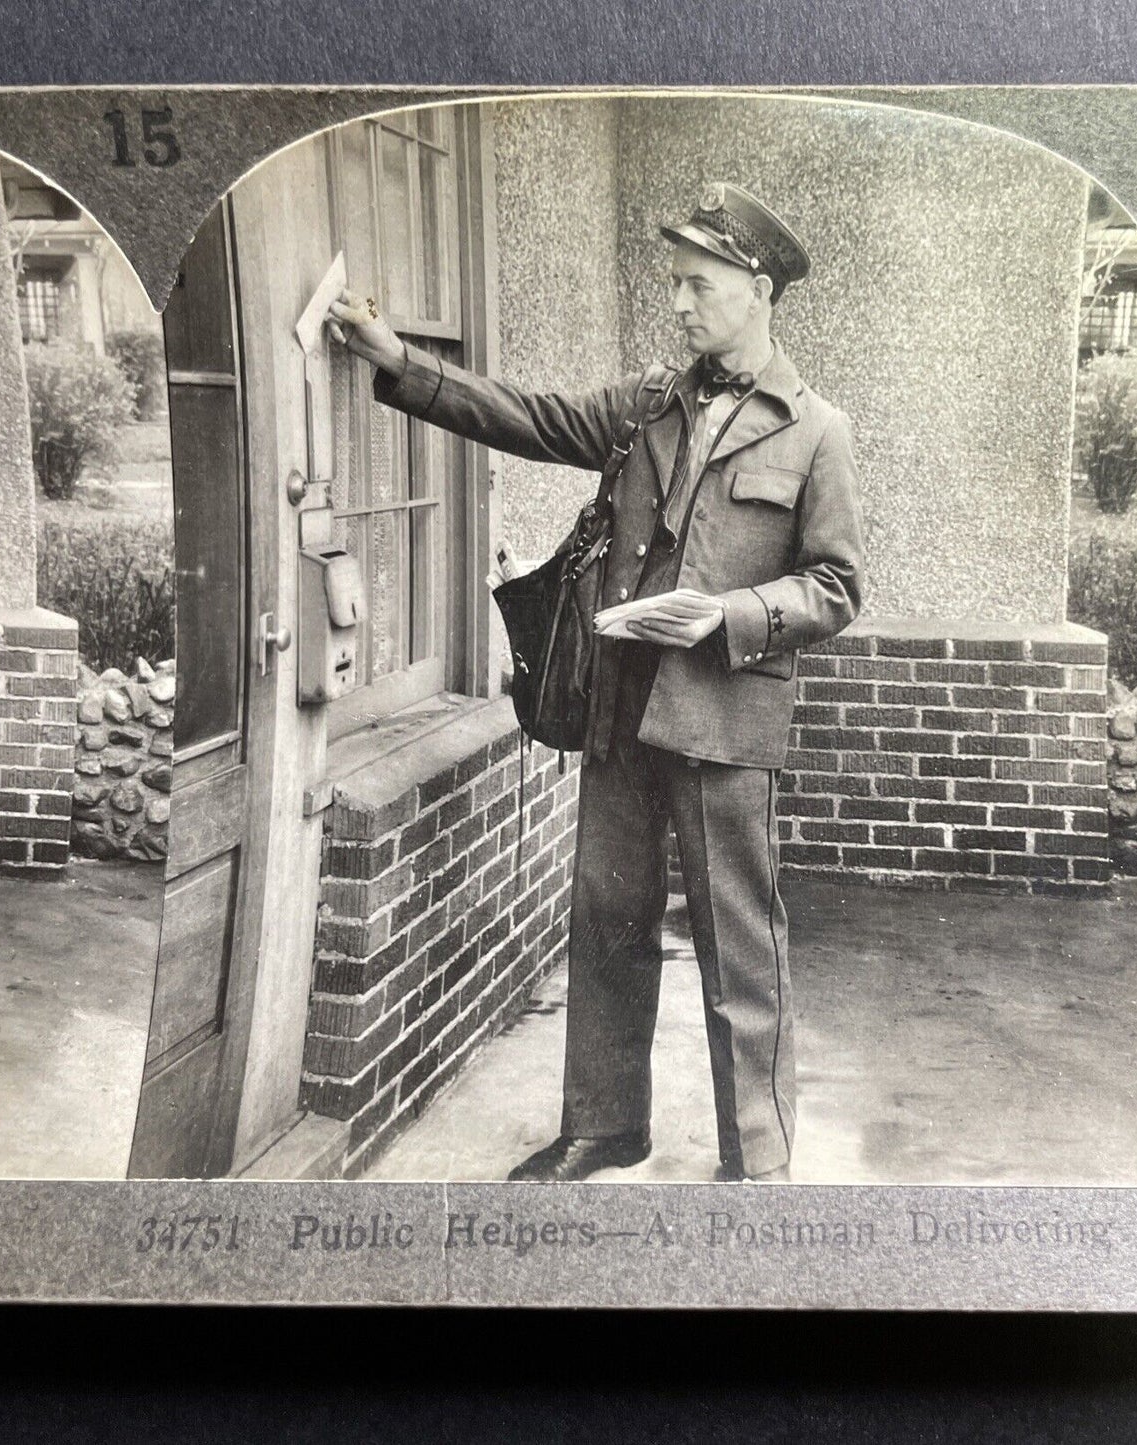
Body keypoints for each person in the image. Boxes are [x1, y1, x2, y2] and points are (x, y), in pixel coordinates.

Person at [328, 182, 865, 1182]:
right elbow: (528, 417)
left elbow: (835, 586)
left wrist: (730, 615)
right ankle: (605, 1123)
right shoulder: (647, 403)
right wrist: (400, 363)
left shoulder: (813, 431)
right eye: (673, 283)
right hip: (621, 709)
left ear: (756, 289)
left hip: (724, 721)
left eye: (696, 283)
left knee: (737, 948)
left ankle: (759, 1158)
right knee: (607, 919)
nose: (678, 303)